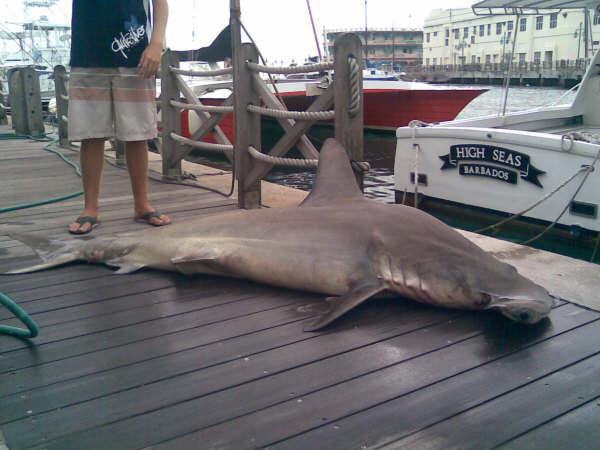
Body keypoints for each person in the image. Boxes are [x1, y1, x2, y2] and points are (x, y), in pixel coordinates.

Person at [67, 0, 170, 234]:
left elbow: (160, 3)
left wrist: (156, 44)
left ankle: (142, 204)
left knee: (138, 133)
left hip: (135, 55)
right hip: (87, 54)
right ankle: (90, 208)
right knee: (91, 135)